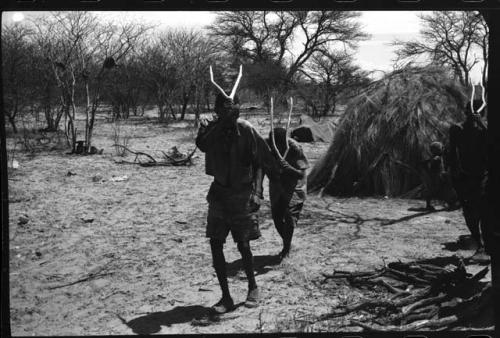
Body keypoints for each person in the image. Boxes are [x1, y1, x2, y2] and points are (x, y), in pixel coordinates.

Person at [196, 93, 281, 314]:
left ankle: (253, 287)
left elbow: (260, 162)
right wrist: (211, 124)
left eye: (232, 109)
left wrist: (258, 192)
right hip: (219, 194)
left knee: (244, 244)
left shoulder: (246, 130)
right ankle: (226, 296)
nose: (229, 114)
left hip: (243, 194)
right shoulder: (212, 129)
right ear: (217, 110)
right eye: (224, 110)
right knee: (216, 244)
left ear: (237, 110)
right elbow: (202, 145)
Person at [449, 100, 488, 259]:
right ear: (466, 112)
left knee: (484, 211)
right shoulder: (457, 129)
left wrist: (482, 124)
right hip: (464, 176)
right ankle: (479, 243)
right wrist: (455, 173)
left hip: (484, 176)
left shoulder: (484, 130)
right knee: (469, 211)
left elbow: (493, 143)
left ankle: (484, 246)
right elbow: (452, 152)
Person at [266, 127, 309, 260]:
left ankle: (286, 248)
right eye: (274, 144)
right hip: (277, 186)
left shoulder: (295, 148)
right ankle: (287, 242)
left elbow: (301, 174)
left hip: (294, 187)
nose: (276, 147)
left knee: (289, 216)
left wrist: (288, 168)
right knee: (277, 217)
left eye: (279, 144)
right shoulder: (267, 147)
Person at [419, 141, 457, 211]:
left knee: (431, 191)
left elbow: (425, 163)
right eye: (441, 148)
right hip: (438, 177)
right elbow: (433, 161)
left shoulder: (434, 157)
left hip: (433, 177)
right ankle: (451, 204)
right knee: (445, 191)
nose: (443, 150)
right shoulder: (437, 157)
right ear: (438, 150)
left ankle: (428, 205)